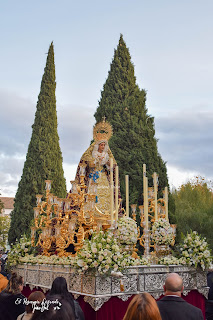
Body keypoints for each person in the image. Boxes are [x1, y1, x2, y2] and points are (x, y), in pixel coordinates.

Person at [73, 119, 120, 215]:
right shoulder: (92, 153)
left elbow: (113, 166)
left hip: (103, 177)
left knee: (107, 195)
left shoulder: (107, 154)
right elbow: (85, 161)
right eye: (101, 145)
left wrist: (108, 163)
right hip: (93, 178)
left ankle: (107, 215)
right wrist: (93, 161)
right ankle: (89, 214)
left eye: (104, 145)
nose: (103, 147)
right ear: (97, 145)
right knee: (92, 195)